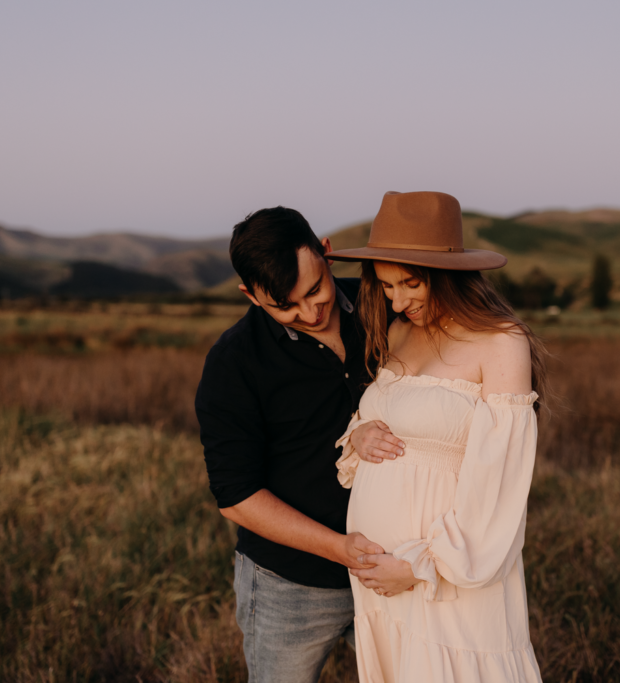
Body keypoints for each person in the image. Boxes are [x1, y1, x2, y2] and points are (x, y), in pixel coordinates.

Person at [329, 191, 546, 682]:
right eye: (386, 287)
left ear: (450, 275)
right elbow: (391, 418)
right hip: (380, 583)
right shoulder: (399, 331)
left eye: (411, 284)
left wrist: (419, 566)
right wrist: (359, 435)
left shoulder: (501, 340)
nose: (398, 301)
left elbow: (501, 479)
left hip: (445, 576)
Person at [194, 206, 401, 683]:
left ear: (326, 253)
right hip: (290, 585)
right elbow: (238, 499)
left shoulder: (382, 308)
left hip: (395, 565)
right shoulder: (233, 364)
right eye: (285, 306)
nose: (309, 312)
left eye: (315, 290)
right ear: (249, 294)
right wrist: (341, 549)